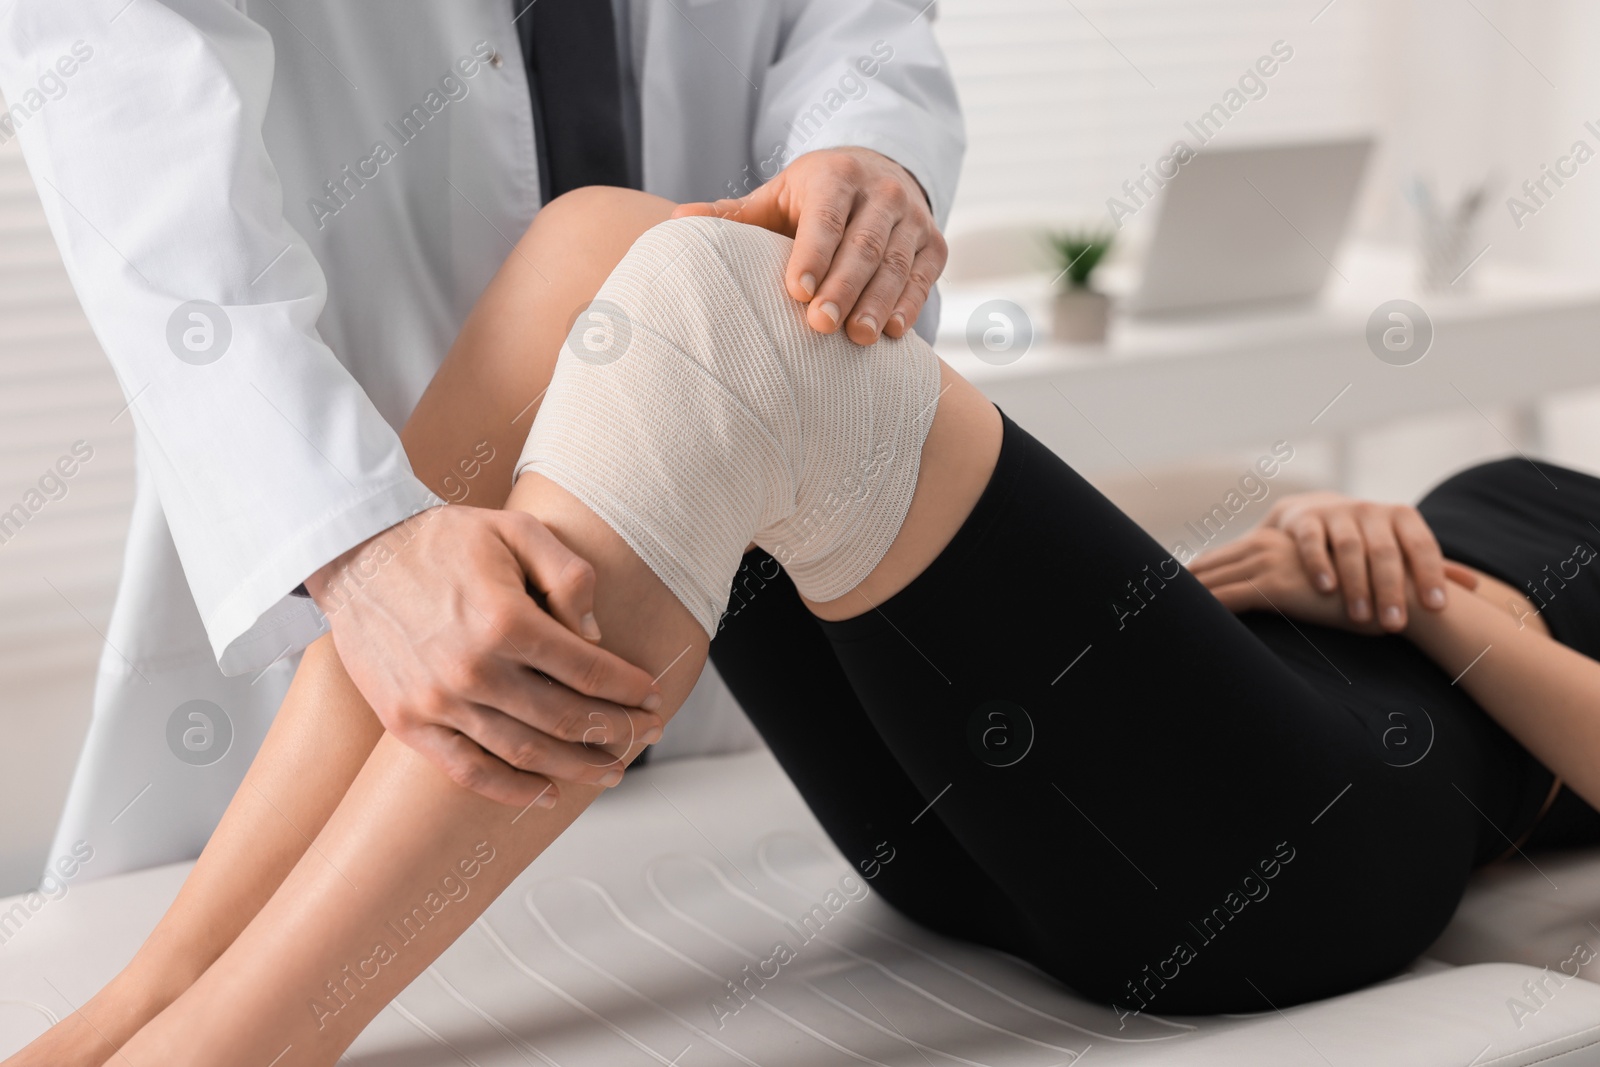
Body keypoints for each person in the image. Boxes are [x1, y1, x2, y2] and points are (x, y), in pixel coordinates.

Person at [10, 186, 1600, 1067]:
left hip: (1315, 851)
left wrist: (1464, 619)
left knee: (718, 313)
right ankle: (162, 982)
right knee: (597, 246)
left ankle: (229, 1047)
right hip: (1084, 792)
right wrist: (1320, 548)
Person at [0, 1, 964, 882]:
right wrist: (349, 538)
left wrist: (865, 160)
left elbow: (856, 22)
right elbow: (115, 77)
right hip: (350, 505)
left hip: (727, 701)